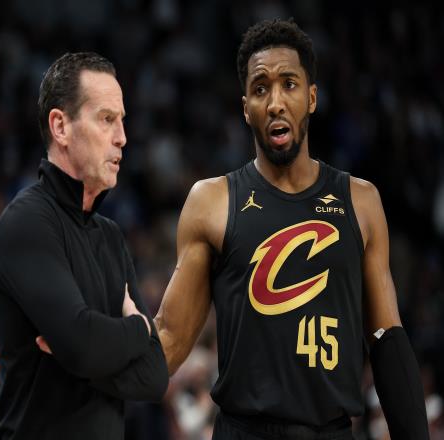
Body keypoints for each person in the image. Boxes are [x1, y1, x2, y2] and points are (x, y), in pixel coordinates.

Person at [152, 18, 430, 439]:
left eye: (289, 84)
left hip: (330, 430)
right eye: (261, 88)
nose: (275, 102)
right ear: (245, 107)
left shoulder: (361, 201)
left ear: (312, 97)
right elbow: (170, 337)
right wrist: (93, 366)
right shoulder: (211, 201)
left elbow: (386, 338)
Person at [0, 52, 168, 440]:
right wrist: (138, 328)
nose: (122, 137)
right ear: (60, 127)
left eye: (122, 120)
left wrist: (79, 354)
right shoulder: (27, 222)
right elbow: (82, 345)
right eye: (106, 119)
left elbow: (154, 376)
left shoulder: (111, 236)